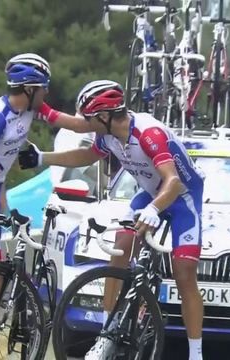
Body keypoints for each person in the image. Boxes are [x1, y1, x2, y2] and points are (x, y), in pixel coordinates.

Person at [20, 80, 206, 360]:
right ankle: (106, 333)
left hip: (181, 197)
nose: (85, 122)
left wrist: (154, 209)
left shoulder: (148, 133)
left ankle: (196, 354)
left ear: (105, 116)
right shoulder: (107, 135)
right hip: (151, 192)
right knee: (121, 245)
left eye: (88, 117)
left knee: (184, 274)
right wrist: (43, 157)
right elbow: (86, 155)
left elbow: (173, 181)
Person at [0, 53, 93, 360]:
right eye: (43, 87)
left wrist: (107, 122)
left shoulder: (34, 108)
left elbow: (74, 124)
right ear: (29, 88)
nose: (46, 93)